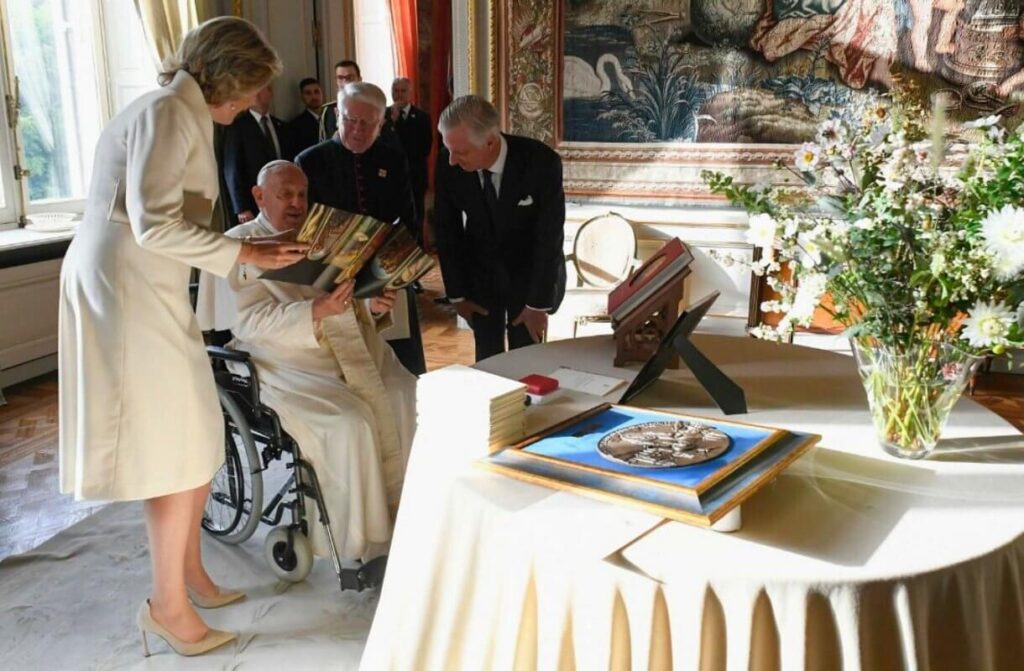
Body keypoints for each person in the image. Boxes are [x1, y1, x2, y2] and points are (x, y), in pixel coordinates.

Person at [58, 17, 308, 657]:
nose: (254, 102)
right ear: (227, 76)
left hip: (141, 286)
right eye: (251, 87)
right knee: (176, 445)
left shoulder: (171, 108)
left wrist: (242, 251)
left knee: (187, 439)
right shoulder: (171, 111)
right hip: (129, 289)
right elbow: (153, 224)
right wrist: (246, 256)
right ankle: (168, 605)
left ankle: (188, 576)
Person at [197, 160, 417, 567]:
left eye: (302, 194)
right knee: (350, 423)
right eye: (285, 194)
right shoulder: (237, 244)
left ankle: (408, 512)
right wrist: (314, 311)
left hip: (347, 344)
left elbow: (348, 293)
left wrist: (370, 301)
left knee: (407, 394)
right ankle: (362, 539)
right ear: (259, 196)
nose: (297, 203)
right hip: (283, 362)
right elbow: (248, 323)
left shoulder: (324, 233)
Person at [296, 82, 426, 374]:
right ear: (337, 117)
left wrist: (383, 275)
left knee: (400, 369)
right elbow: (307, 230)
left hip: (386, 275)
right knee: (349, 368)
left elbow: (407, 220)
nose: (357, 129)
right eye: (349, 120)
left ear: (381, 123)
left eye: (367, 123)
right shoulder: (310, 161)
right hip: (332, 279)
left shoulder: (392, 159)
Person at [434, 95, 566, 362]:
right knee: (487, 360)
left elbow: (549, 238)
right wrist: (457, 294)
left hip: (529, 279)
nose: (451, 160)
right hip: (480, 279)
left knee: (527, 360)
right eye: (449, 150)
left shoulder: (541, 162)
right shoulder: (450, 163)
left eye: (460, 152)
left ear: (490, 141)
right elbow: (447, 230)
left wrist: (537, 304)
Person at [223, 84, 289, 223]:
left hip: (280, 201)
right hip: (252, 204)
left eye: (262, 89)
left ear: (270, 92)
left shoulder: (280, 126)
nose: (257, 94)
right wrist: (241, 207)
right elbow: (232, 169)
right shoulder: (237, 126)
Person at [385, 77, 433, 242]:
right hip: (390, 176)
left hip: (415, 176)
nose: (398, 95)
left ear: (411, 93)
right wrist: (393, 122)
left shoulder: (422, 117)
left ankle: (417, 248)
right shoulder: (383, 116)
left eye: (402, 91)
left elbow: (424, 148)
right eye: (395, 91)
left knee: (416, 215)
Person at [287, 77, 325, 155]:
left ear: (322, 93)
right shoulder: (295, 127)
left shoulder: (334, 119)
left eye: (316, 92)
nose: (314, 97)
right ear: (302, 97)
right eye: (308, 93)